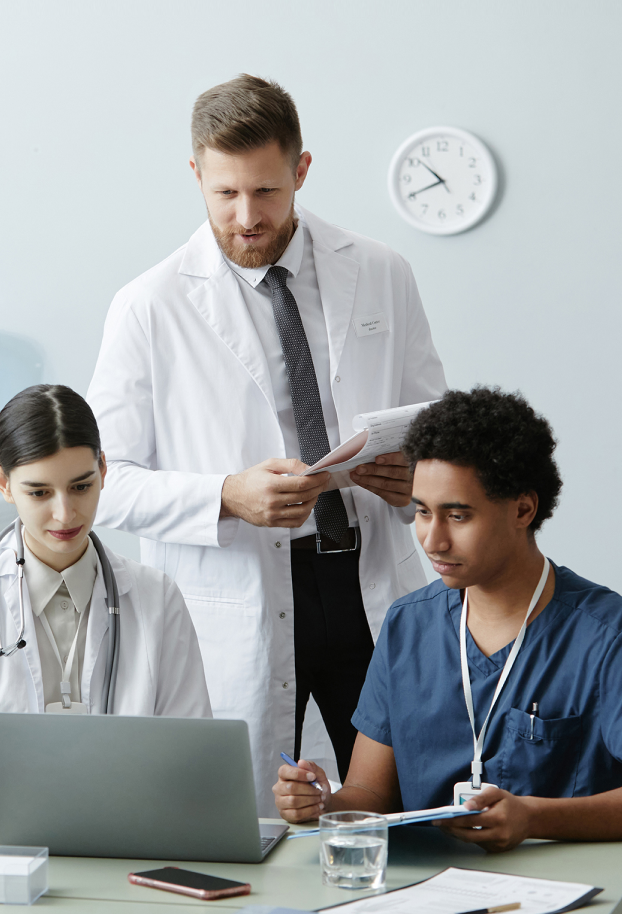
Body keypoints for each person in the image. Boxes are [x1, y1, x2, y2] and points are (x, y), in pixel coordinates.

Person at [86, 74, 447, 811]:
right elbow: (105, 482)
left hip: (368, 580)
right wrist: (226, 494)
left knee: (405, 811)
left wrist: (419, 478)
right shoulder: (148, 306)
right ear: (196, 175)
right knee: (244, 821)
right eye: (224, 195)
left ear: (301, 171)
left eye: (266, 193)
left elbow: (440, 427)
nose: (246, 217)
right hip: (238, 594)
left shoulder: (380, 272)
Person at [273, 387, 622, 855]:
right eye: (422, 512)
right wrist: (324, 803)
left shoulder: (610, 635)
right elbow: (370, 797)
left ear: (523, 509)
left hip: (567, 901)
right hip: (431, 898)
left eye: (457, 516)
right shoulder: (407, 626)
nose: (433, 541)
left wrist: (533, 817)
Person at [0, 385, 212, 813]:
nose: (65, 514)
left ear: (103, 470)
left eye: (81, 486)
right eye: (39, 492)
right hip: (0, 831)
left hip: (126, 827)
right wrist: (37, 803)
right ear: (4, 485)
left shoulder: (157, 597)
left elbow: (188, 750)